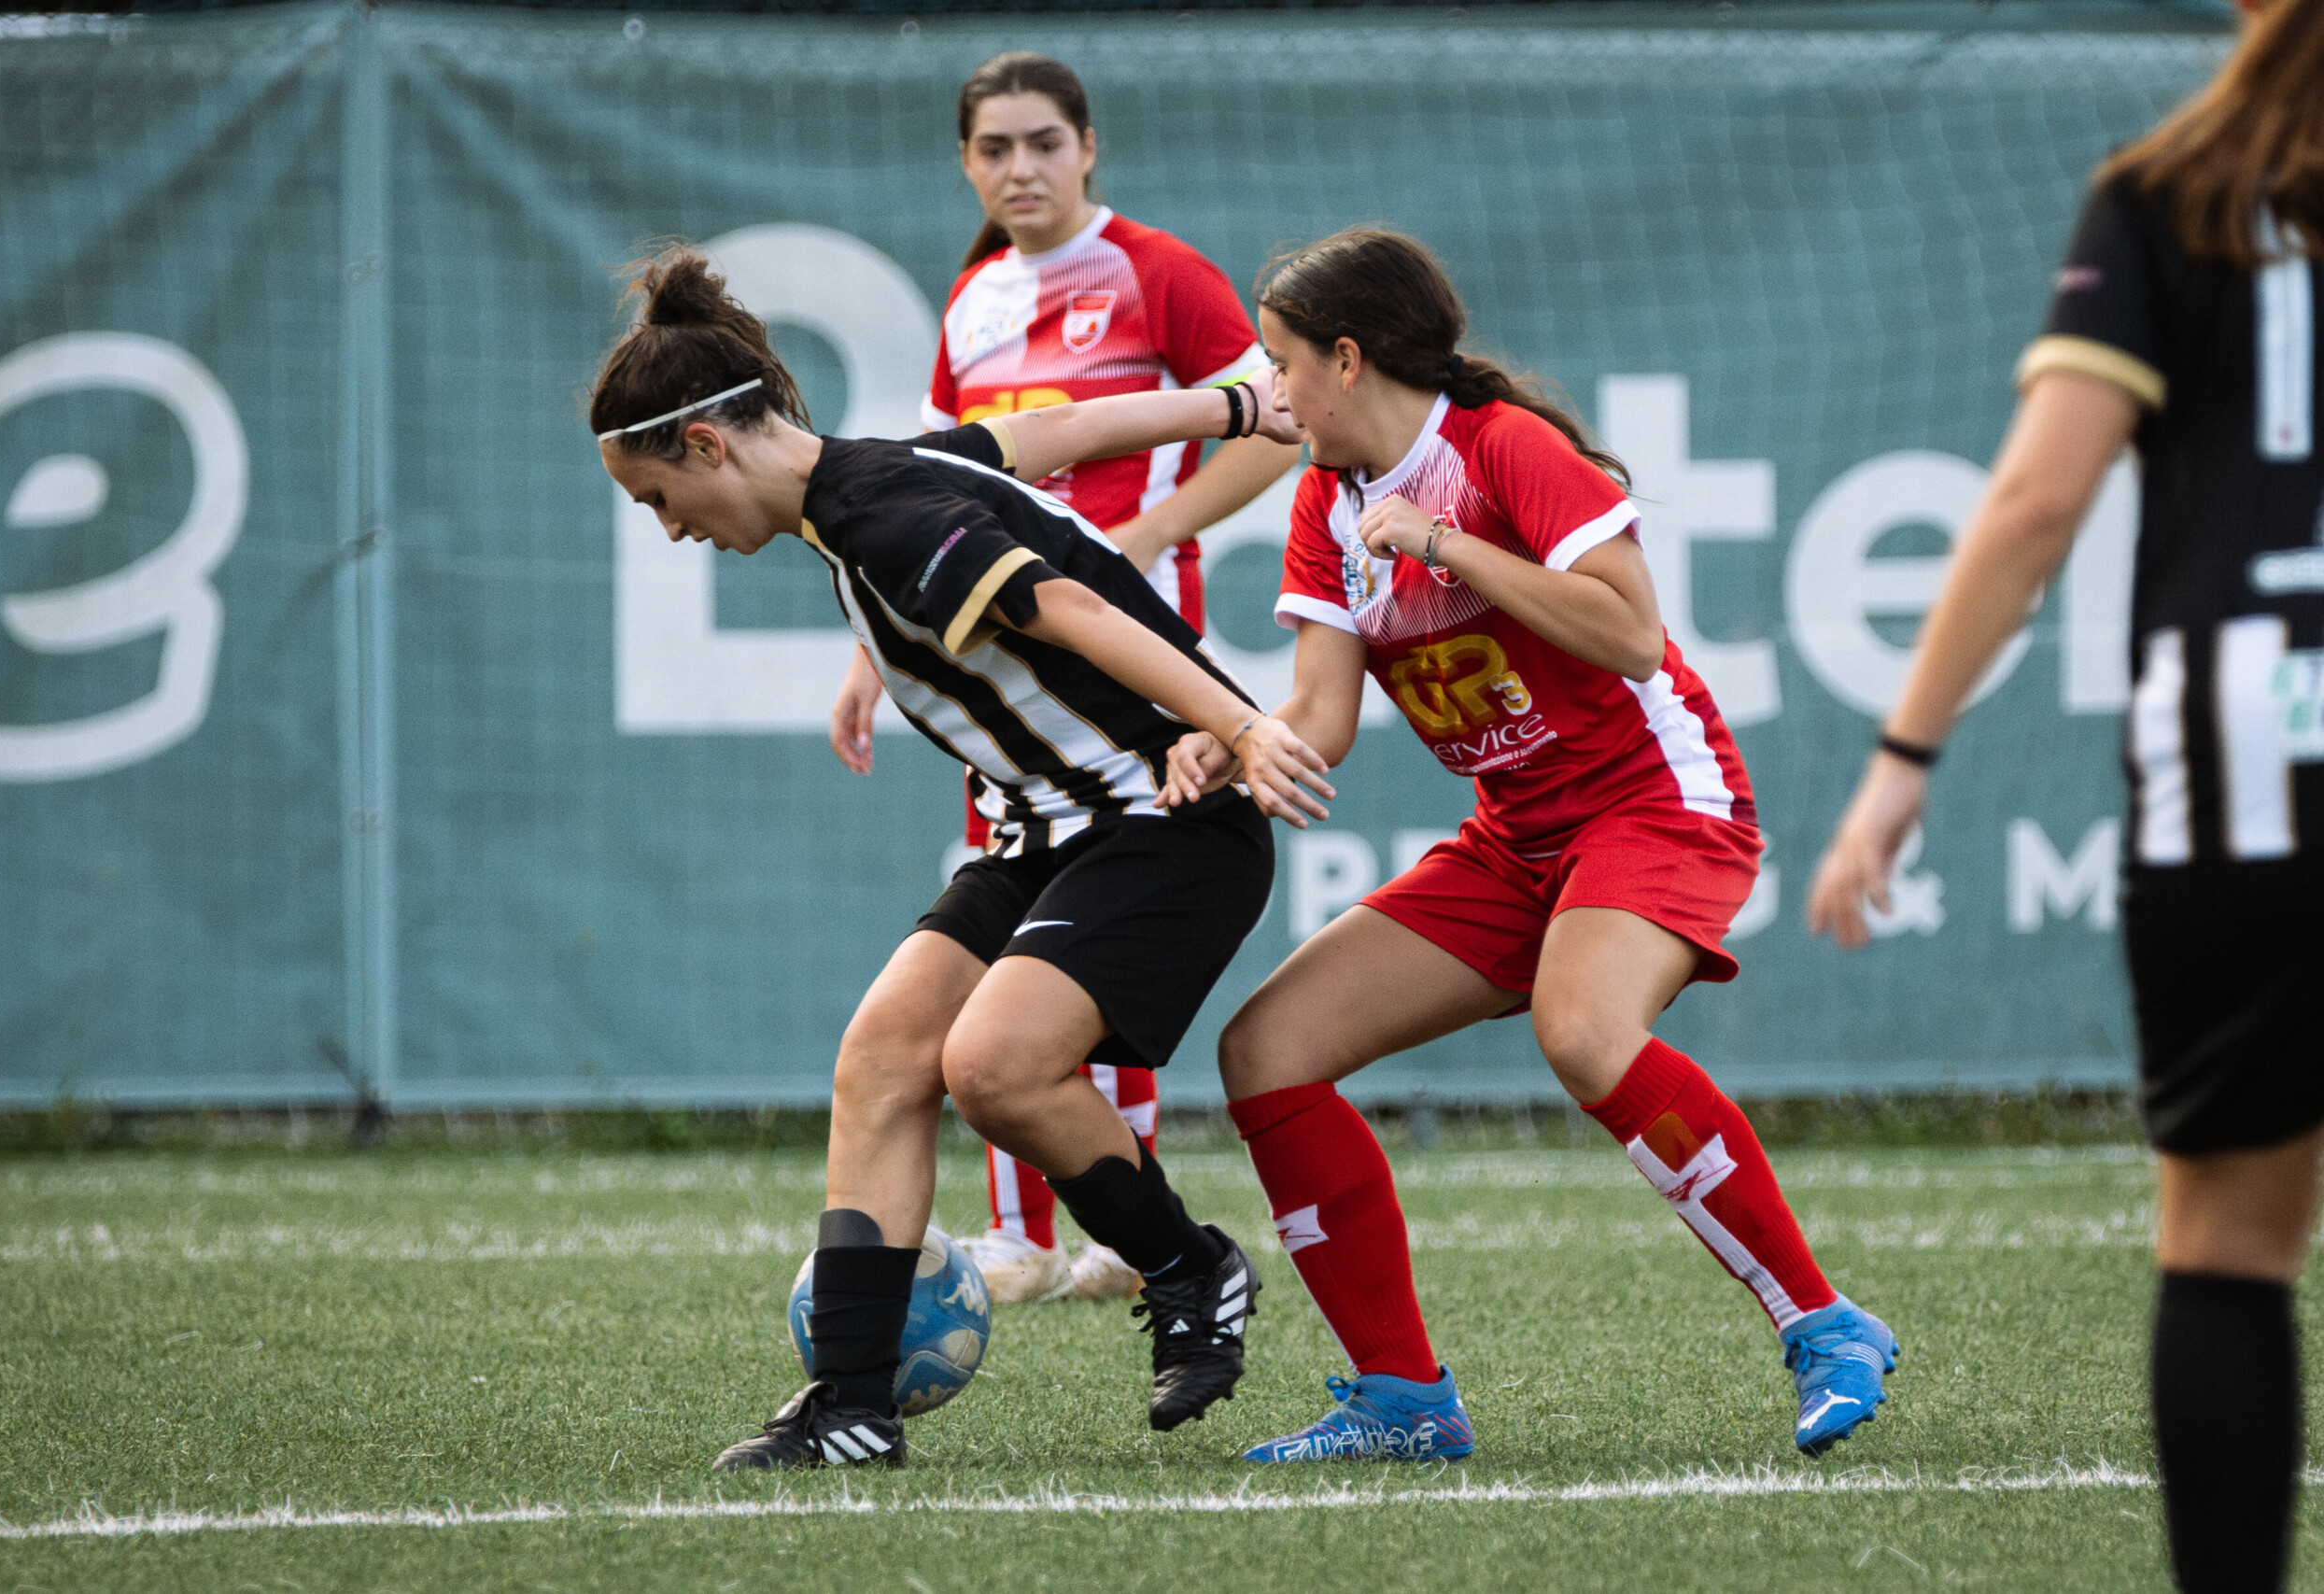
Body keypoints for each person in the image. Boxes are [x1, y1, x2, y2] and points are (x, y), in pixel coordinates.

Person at [1163, 228, 1899, 1464]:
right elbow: (1325, 714)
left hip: (1657, 803)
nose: (1268, 395)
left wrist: (1447, 544)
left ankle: (1824, 1325)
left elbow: (1627, 635)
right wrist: (1236, 740)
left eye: (1281, 364)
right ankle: (1404, 1401)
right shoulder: (1322, 502)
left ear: (1346, 361)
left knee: (1583, 1030)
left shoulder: (1505, 451)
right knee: (1268, 1052)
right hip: (1517, 840)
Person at [591, 248, 1331, 1469]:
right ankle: (851, 1407)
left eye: (657, 499)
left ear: (709, 449)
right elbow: (1045, 439)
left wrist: (1240, 727)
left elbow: (1075, 609)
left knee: (992, 1064)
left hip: (1165, 822)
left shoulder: (887, 519)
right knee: (884, 1054)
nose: (671, 529)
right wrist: (1231, 407)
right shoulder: (873, 482)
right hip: (1045, 828)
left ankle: (1192, 1269)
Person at [1807, 0, 2322, 1584]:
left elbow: (2034, 502)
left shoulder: (2177, 189)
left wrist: (1900, 763)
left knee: (2230, 1248)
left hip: (2244, 762)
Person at [829, 50, 1302, 1306]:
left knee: (1105, 914)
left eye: (1044, 143)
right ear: (967, 164)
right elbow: (920, 486)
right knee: (1010, 909)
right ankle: (1023, 1235)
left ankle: (1113, 1224)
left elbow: (1273, 413)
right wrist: (871, 654)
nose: (1020, 168)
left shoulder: (1157, 271)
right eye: (995, 149)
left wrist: (1150, 533)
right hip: (993, 660)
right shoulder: (973, 296)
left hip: (1126, 650)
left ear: (1089, 147)